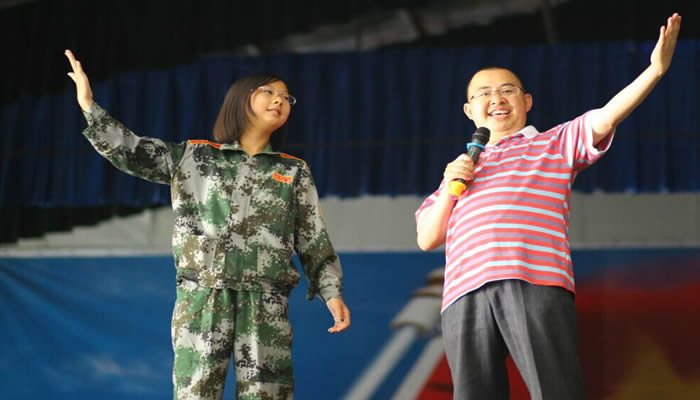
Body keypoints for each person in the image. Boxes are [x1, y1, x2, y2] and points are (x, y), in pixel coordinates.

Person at [415, 13, 681, 400]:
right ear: (469, 111)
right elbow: (427, 238)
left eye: (507, 90)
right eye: (483, 94)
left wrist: (654, 71)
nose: (496, 99)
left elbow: (607, 116)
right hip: (462, 294)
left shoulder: (553, 143)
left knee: (554, 388)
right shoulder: (459, 170)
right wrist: (451, 186)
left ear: (526, 102)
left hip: (533, 279)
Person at [65, 49, 351, 400]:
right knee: (196, 392)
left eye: (286, 97)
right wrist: (89, 106)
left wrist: (331, 292)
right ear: (241, 100)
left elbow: (313, 238)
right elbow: (132, 151)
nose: (279, 100)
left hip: (265, 300)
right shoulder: (194, 156)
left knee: (268, 394)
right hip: (203, 294)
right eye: (269, 92)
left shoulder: (293, 171)